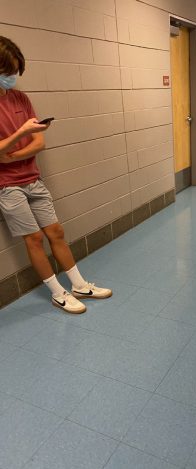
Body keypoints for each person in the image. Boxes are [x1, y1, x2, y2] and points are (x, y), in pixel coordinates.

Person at [0, 36, 112, 313]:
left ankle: (78, 284)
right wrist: (23, 133)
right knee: (35, 239)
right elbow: (29, 136)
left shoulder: (20, 98)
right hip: (7, 186)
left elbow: (40, 142)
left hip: (33, 179)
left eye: (15, 71)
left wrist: (11, 154)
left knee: (56, 232)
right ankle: (57, 292)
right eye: (8, 72)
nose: (13, 77)